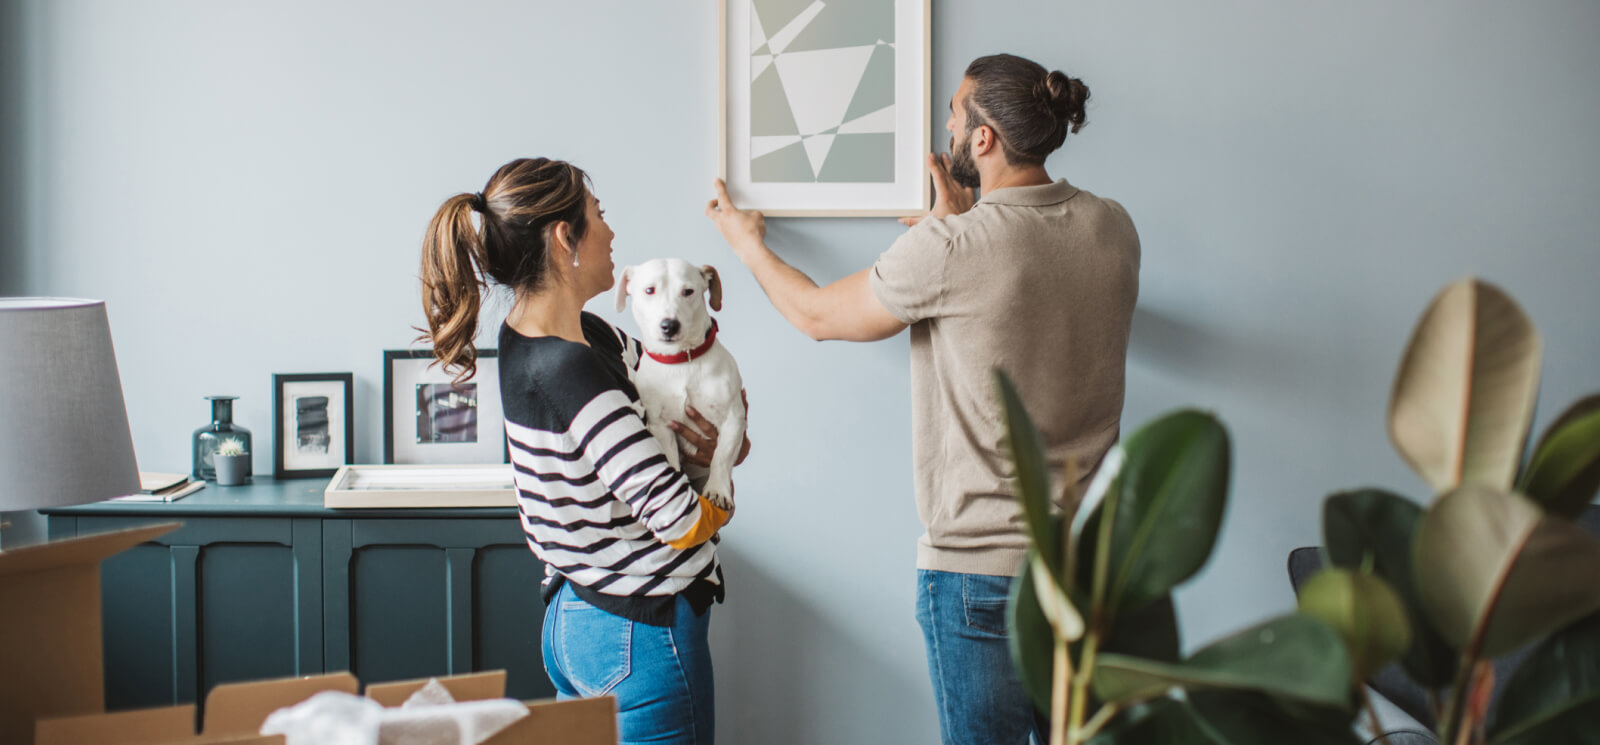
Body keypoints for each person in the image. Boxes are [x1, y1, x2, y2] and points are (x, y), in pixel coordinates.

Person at [705, 54, 1140, 744]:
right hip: (1084, 574)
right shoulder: (1114, 229)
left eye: (954, 114)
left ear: (984, 139)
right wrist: (960, 224)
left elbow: (818, 316)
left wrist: (747, 243)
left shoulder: (955, 247)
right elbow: (1020, 284)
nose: (946, 125)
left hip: (980, 581)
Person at [420, 157, 748, 745]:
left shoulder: (552, 335)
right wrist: (719, 481)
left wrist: (713, 438)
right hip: (638, 631)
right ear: (563, 237)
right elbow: (680, 520)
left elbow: (669, 390)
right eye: (600, 216)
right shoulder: (571, 370)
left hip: (576, 615)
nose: (613, 232)